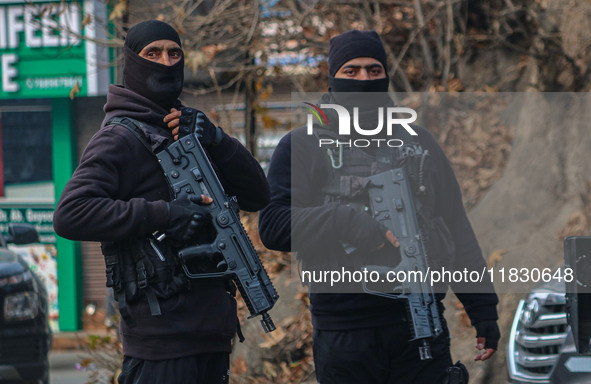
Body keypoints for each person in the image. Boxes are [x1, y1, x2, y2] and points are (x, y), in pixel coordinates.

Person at [258, 30, 500, 383]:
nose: (364, 80)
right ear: (333, 77)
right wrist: (347, 221)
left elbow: (456, 228)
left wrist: (484, 312)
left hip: (422, 326)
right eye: (351, 71)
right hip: (347, 335)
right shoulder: (303, 145)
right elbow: (274, 225)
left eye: (374, 71)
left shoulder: (419, 143)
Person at [53, 20, 270, 384]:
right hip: (162, 348)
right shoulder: (119, 138)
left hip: (210, 340)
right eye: (152, 53)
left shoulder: (185, 129)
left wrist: (216, 138)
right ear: (132, 63)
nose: (166, 62)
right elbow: (71, 213)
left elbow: (258, 195)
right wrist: (165, 214)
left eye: (174, 53)